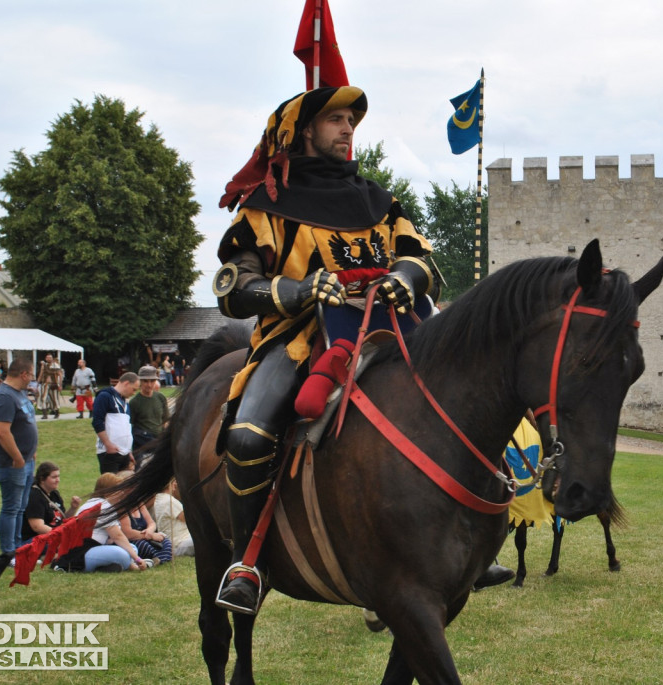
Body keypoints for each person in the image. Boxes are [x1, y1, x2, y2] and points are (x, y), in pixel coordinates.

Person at [211, 86, 438, 614]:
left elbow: (421, 257)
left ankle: (464, 539)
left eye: (351, 121)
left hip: (392, 330)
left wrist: (406, 275)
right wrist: (297, 289)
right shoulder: (265, 207)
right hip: (298, 337)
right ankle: (248, 563)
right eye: (335, 119)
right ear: (303, 131)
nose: (347, 129)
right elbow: (231, 289)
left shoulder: (377, 200)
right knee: (248, 437)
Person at [0, 356, 39, 556]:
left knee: (20, 507)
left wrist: (30, 452)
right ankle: (8, 552)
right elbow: (2, 432)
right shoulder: (4, 397)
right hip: (12, 463)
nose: (33, 378)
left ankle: (18, 548)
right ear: (24, 374)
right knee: (11, 507)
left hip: (26, 461)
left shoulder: (19, 394)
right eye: (32, 374)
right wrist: (18, 457)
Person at [72, 473, 148, 572]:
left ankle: (105, 568)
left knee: (132, 547)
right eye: (118, 491)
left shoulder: (92, 502)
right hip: (81, 553)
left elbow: (109, 538)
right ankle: (132, 565)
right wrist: (137, 558)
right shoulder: (104, 507)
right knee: (123, 555)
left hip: (89, 549)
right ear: (108, 492)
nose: (121, 495)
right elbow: (118, 536)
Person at [22, 461, 81, 544]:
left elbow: (62, 519)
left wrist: (73, 508)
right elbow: (37, 527)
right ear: (42, 479)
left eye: (58, 476)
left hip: (53, 534)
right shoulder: (34, 496)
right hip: (36, 540)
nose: (58, 480)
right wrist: (62, 535)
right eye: (54, 477)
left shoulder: (54, 493)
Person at [92, 372, 139, 474]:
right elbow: (97, 422)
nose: (134, 393)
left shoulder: (125, 403)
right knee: (111, 487)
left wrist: (128, 451)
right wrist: (108, 444)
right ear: (126, 383)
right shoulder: (105, 396)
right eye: (133, 389)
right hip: (110, 452)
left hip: (124, 453)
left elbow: (126, 427)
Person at [128, 366, 170, 453]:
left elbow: (165, 421)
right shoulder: (134, 402)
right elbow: (130, 426)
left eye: (152, 381)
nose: (149, 384)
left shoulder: (160, 397)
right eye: (145, 381)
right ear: (140, 381)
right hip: (142, 444)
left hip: (159, 440)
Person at [152, 479, 194, 557]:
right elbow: (188, 518)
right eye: (174, 481)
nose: (175, 483)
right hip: (179, 544)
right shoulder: (169, 500)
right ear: (169, 484)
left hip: (176, 542)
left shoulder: (159, 498)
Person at [37, 353, 64, 419]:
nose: (49, 359)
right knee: (43, 398)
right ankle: (45, 414)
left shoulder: (56, 365)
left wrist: (60, 385)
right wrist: (37, 382)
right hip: (45, 384)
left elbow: (60, 375)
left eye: (50, 357)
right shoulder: (44, 365)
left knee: (54, 399)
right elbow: (41, 373)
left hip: (53, 384)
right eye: (47, 357)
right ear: (46, 359)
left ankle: (57, 412)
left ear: (52, 358)